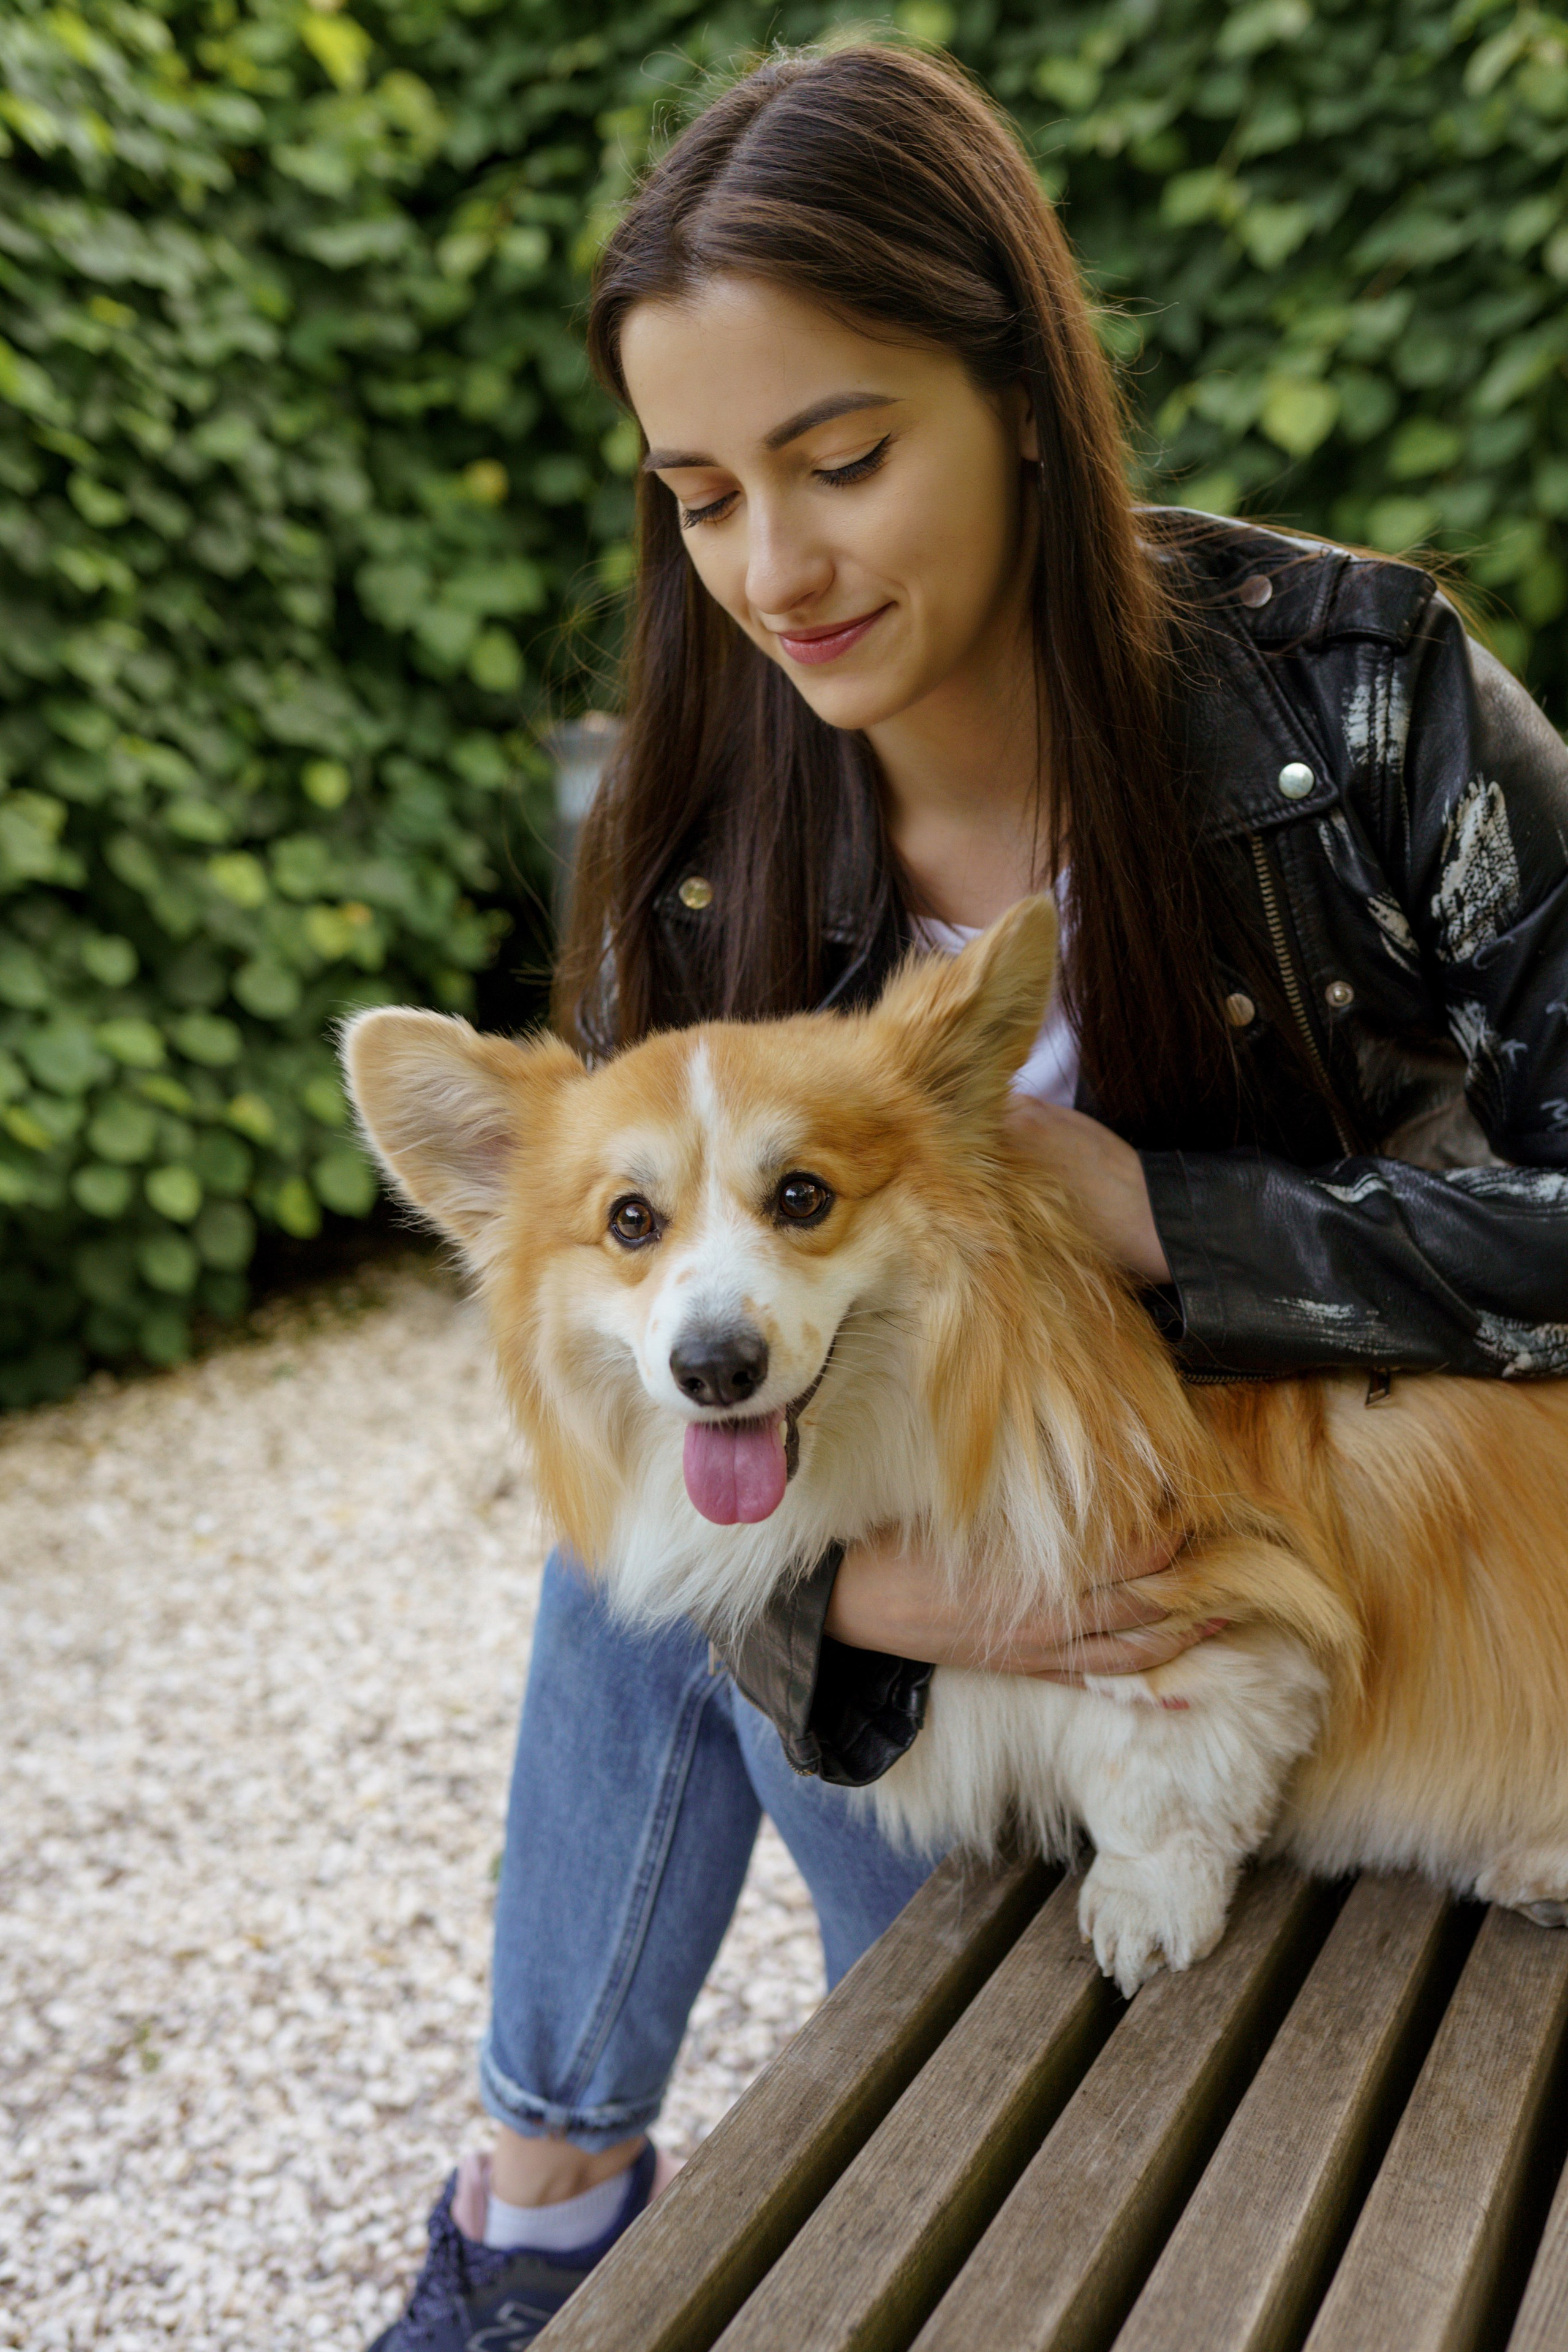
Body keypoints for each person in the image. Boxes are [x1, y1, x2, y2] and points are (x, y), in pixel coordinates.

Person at [369, 40, 1568, 2351]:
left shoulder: (1365, 700)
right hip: (928, 1675)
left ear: (1017, 388)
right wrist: (899, 1613)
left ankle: (556, 2196)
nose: (777, 570)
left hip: (1337, 1594)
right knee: (648, 1443)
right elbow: (643, 1445)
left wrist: (1177, 1225)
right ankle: (542, 2201)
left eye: (842, 460)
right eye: (701, 494)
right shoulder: (701, 855)